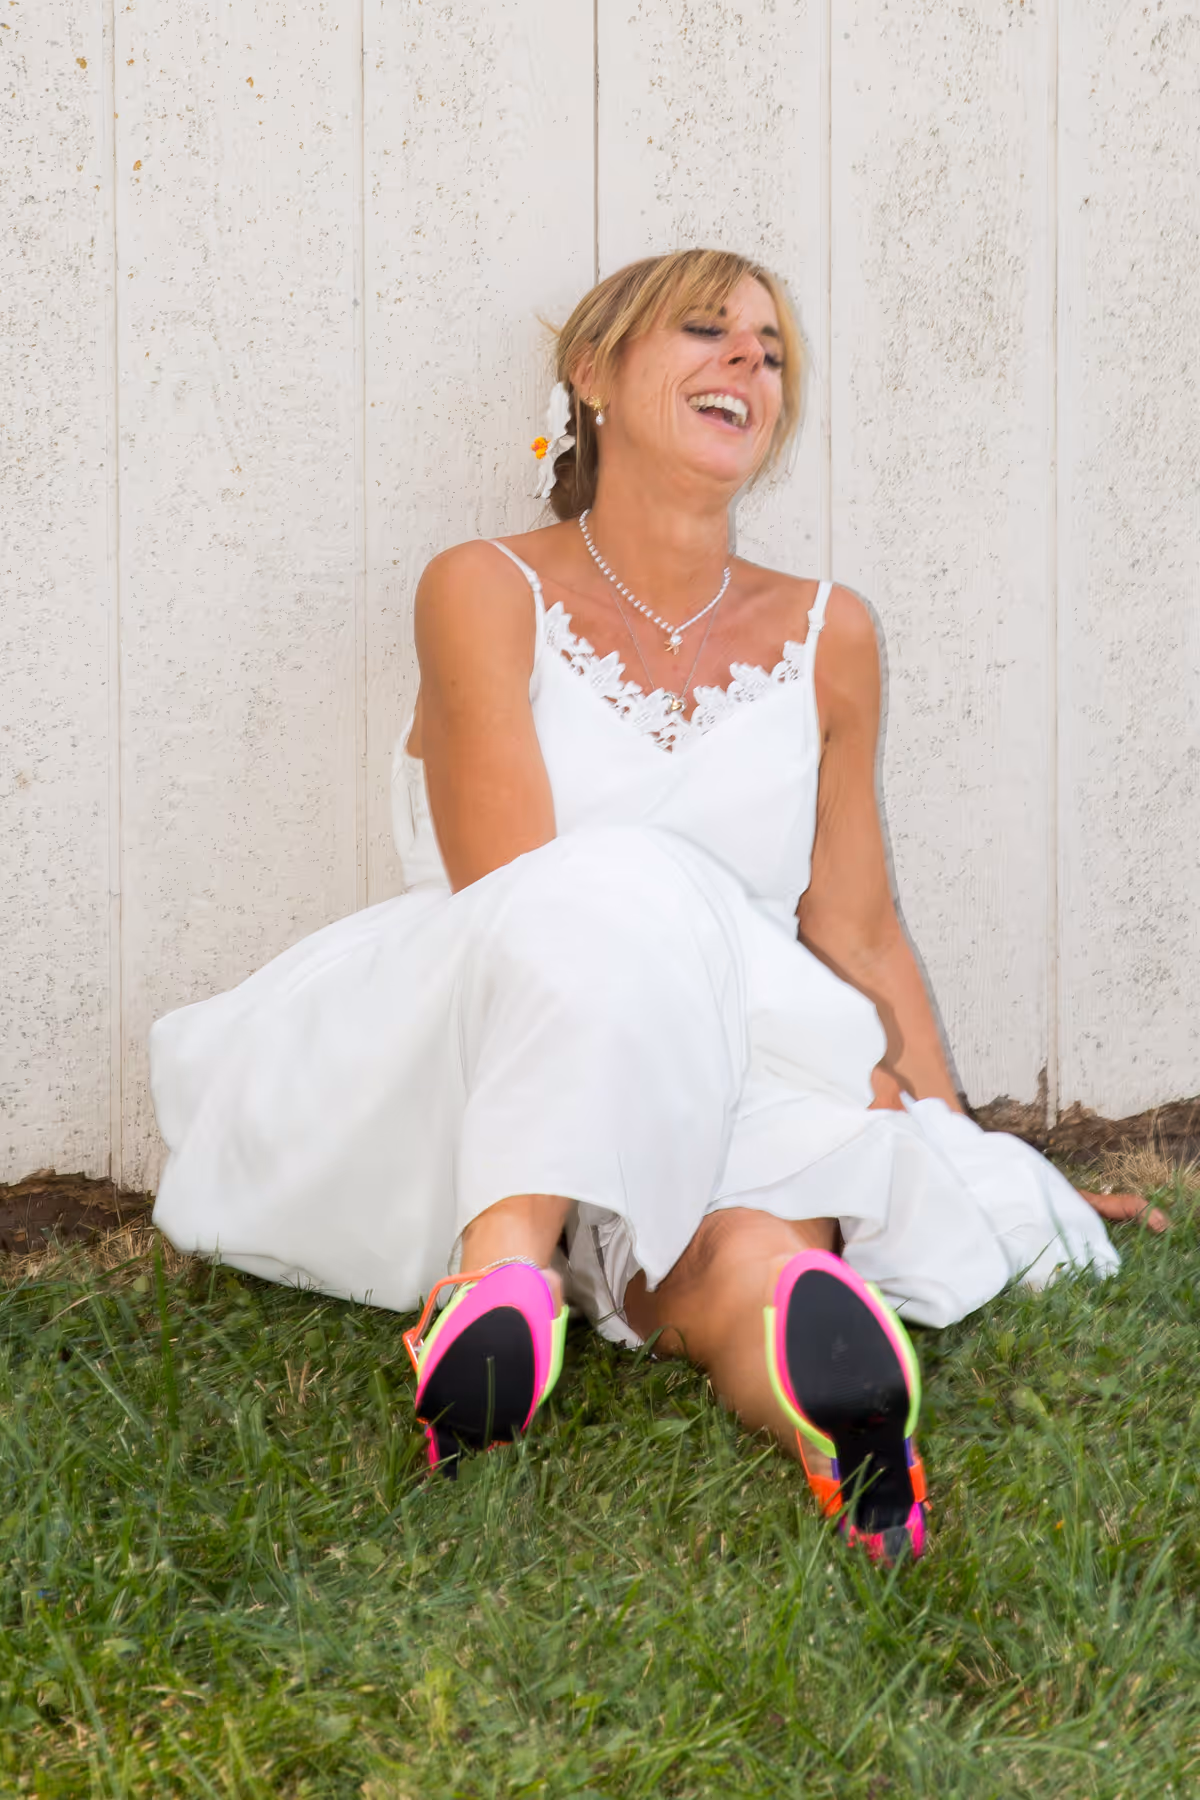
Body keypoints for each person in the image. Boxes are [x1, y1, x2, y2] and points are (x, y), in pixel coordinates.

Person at [150, 249, 1150, 1566]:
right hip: (488, 1030)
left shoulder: (830, 631)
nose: (750, 360)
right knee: (621, 884)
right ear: (592, 375)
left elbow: (856, 925)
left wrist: (959, 1136)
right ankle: (520, 1244)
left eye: (773, 349)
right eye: (706, 330)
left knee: (753, 1234)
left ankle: (787, 1368)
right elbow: (520, 883)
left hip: (729, 1052)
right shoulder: (482, 588)